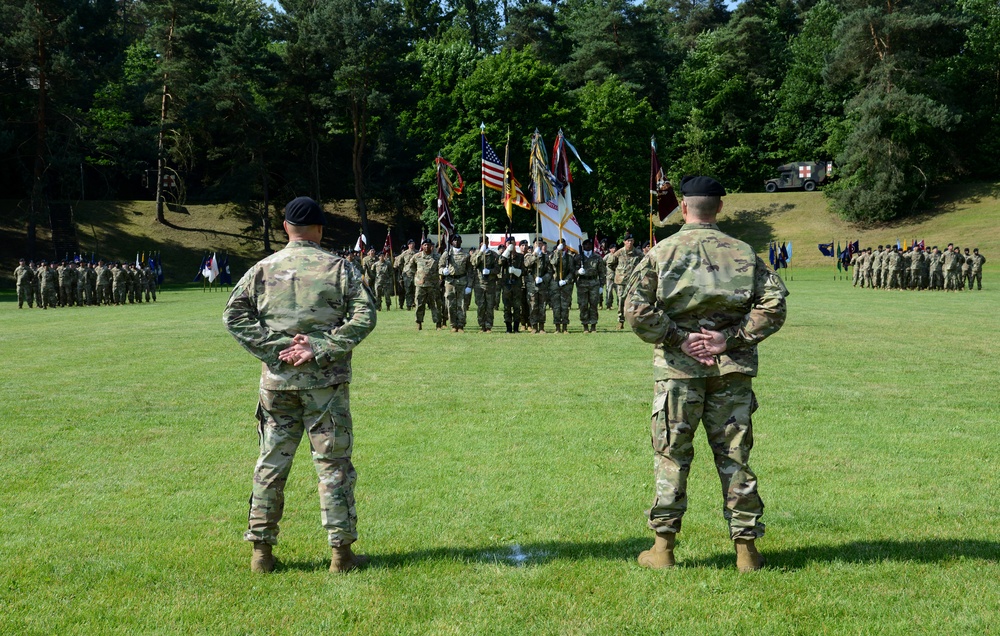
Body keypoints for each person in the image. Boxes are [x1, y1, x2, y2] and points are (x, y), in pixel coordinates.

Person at [625, 176, 788, 573]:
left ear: (684, 207)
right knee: (735, 458)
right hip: (730, 372)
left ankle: (662, 550)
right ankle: (747, 553)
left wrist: (680, 339)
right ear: (718, 208)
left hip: (678, 374)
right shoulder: (744, 252)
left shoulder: (663, 251)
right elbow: (775, 305)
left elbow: (635, 308)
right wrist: (729, 338)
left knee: (672, 457)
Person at [223, 196, 377, 574]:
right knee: (333, 465)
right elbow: (365, 315)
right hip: (325, 387)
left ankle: (261, 553)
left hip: (277, 384)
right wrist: (319, 347)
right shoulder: (340, 269)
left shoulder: (263, 268)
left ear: (286, 229)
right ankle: (341, 555)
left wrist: (278, 349)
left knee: (271, 464)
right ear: (321, 229)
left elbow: (233, 315)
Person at [439, 235, 472, 332]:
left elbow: (470, 271)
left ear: (461, 241)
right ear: (451, 242)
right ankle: (453, 324)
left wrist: (469, 285)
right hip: (450, 282)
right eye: (454, 240)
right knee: (450, 304)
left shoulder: (466, 255)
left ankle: (461, 325)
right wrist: (443, 271)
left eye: (458, 240)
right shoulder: (447, 254)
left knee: (461, 304)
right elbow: (440, 266)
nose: (456, 242)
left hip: (462, 281)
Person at [574, 238, 606, 333]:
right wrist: (578, 272)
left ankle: (593, 325)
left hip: (593, 283)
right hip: (582, 284)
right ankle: (585, 325)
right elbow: (573, 271)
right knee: (583, 305)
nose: (588, 246)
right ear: (583, 246)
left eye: (589, 244)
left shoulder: (597, 257)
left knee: (593, 305)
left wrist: (601, 286)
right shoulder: (578, 257)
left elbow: (602, 272)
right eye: (586, 245)